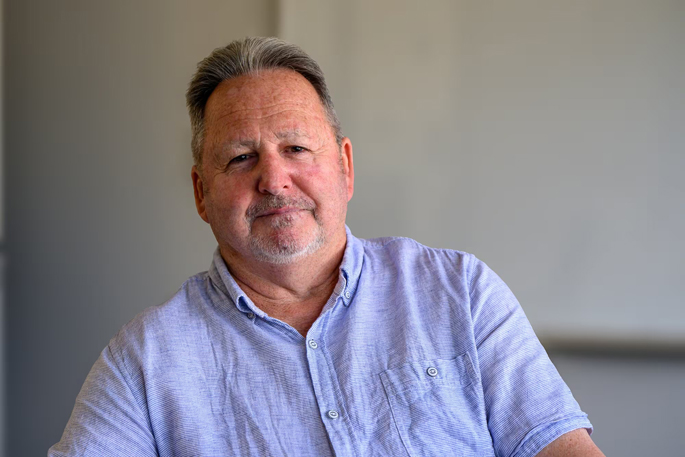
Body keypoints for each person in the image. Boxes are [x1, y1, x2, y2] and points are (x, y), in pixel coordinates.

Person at [49, 37, 604, 457]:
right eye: (241, 158)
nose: (274, 180)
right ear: (201, 193)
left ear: (345, 167)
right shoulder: (143, 363)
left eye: (296, 148)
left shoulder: (459, 291)